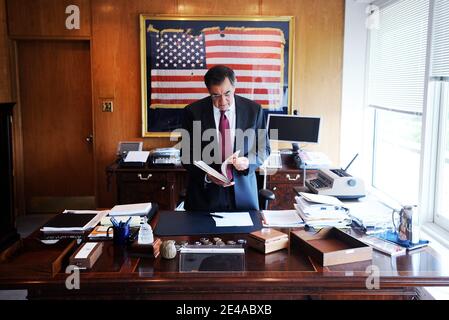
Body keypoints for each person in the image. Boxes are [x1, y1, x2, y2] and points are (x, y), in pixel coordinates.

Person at [181, 65, 270, 211]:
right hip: (204, 198)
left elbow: (264, 148)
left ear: (235, 87)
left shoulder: (254, 110)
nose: (222, 102)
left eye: (227, 93)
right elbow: (186, 155)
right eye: (215, 95)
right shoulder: (192, 112)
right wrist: (207, 175)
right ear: (208, 91)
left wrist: (248, 162)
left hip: (244, 195)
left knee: (245, 235)